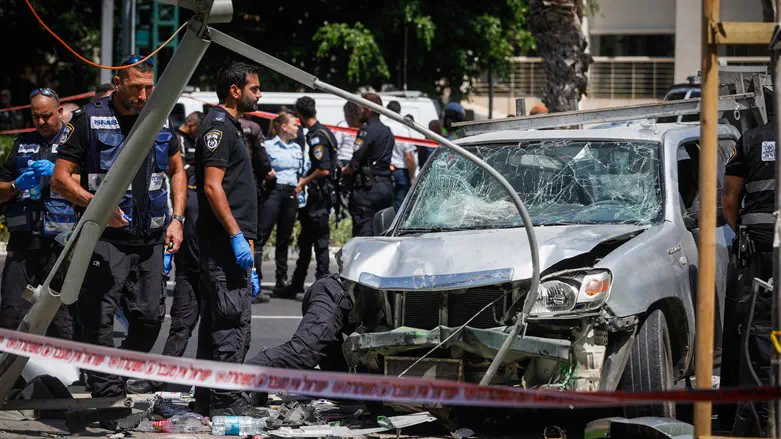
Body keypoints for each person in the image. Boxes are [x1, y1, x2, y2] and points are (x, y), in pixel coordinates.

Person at [52, 56, 186, 421]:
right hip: (105, 239)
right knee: (99, 321)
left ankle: (118, 376)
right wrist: (96, 205)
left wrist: (178, 219)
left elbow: (176, 170)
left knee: (149, 318)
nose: (144, 95)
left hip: (151, 238)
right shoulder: (88, 120)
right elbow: (60, 178)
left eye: (149, 87)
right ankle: (109, 398)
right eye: (136, 87)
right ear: (118, 84)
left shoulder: (161, 116)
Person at [193, 61, 264, 417]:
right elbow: (211, 186)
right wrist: (237, 237)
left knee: (217, 324)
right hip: (223, 246)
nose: (259, 94)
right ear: (235, 90)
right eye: (254, 88)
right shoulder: (218, 127)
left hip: (232, 244)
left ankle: (208, 400)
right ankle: (226, 403)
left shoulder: (232, 127)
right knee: (231, 326)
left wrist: (247, 246)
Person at [126, 113, 204, 395]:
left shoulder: (228, 186)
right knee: (179, 327)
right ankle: (158, 378)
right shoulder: (192, 181)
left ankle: (216, 386)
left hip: (217, 269)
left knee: (220, 330)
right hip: (189, 268)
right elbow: (179, 214)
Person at [0, 87, 76, 339]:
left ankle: (69, 376)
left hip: (61, 245)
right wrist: (15, 185)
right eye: (36, 117)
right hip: (23, 244)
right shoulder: (22, 144)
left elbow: (95, 184)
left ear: (60, 112)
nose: (42, 122)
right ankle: (10, 375)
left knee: (61, 318)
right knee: (11, 314)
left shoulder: (75, 143)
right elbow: (2, 189)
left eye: (47, 116)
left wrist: (58, 173)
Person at [721, 120, 775, 436]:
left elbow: (730, 201)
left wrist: (745, 233)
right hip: (762, 245)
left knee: (756, 326)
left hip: (760, 249)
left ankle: (752, 415)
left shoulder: (753, 139)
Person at [279, 96, 338, 298]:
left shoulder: (317, 136)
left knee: (320, 243)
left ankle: (323, 286)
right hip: (315, 198)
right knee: (305, 242)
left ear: (301, 115)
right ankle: (297, 284)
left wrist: (303, 182)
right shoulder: (322, 132)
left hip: (318, 197)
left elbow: (324, 169)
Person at [246, 274, 353, 371]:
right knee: (303, 352)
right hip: (336, 294)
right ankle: (238, 380)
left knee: (340, 380)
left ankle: (259, 381)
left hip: (342, 297)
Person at [257, 112, 305, 295]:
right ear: (284, 127)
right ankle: (256, 279)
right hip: (274, 192)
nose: (297, 128)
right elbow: (261, 167)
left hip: (290, 193)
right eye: (294, 124)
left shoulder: (297, 148)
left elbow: (301, 170)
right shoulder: (268, 146)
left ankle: (281, 279)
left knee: (284, 238)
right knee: (262, 235)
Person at [341, 93, 394, 237]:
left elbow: (355, 162)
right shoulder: (387, 131)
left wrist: (345, 170)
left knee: (363, 233)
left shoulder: (366, 131)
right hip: (385, 187)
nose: (359, 111)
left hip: (367, 190)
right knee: (383, 232)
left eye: (361, 108)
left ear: (369, 110)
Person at [386, 101, 416, 212]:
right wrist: (412, 176)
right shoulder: (403, 130)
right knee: (400, 208)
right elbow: (409, 157)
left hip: (384, 171)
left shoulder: (383, 126)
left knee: (386, 206)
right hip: (401, 172)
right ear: (399, 112)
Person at [176, 111, 204, 177]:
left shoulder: (192, 139)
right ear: (190, 124)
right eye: (199, 127)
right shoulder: (178, 139)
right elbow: (181, 166)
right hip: (187, 182)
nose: (200, 131)